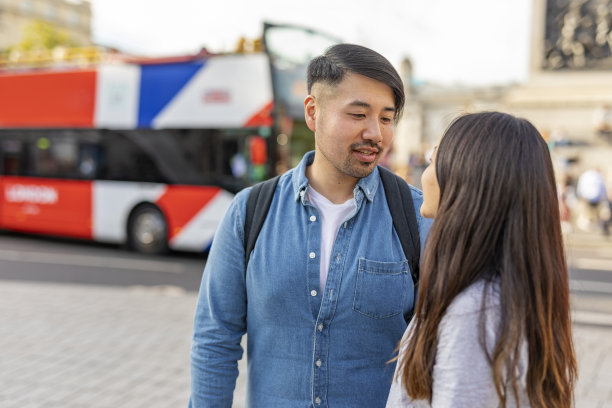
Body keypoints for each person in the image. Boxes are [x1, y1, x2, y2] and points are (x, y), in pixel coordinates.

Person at [189, 43, 432, 407]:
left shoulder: (416, 218)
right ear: (313, 112)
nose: (375, 134)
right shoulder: (250, 212)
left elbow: (444, 346)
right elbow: (215, 338)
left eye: (386, 118)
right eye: (358, 114)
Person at [387, 112, 577, 408]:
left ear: (467, 178)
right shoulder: (501, 294)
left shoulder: (474, 310)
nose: (423, 174)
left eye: (433, 159)